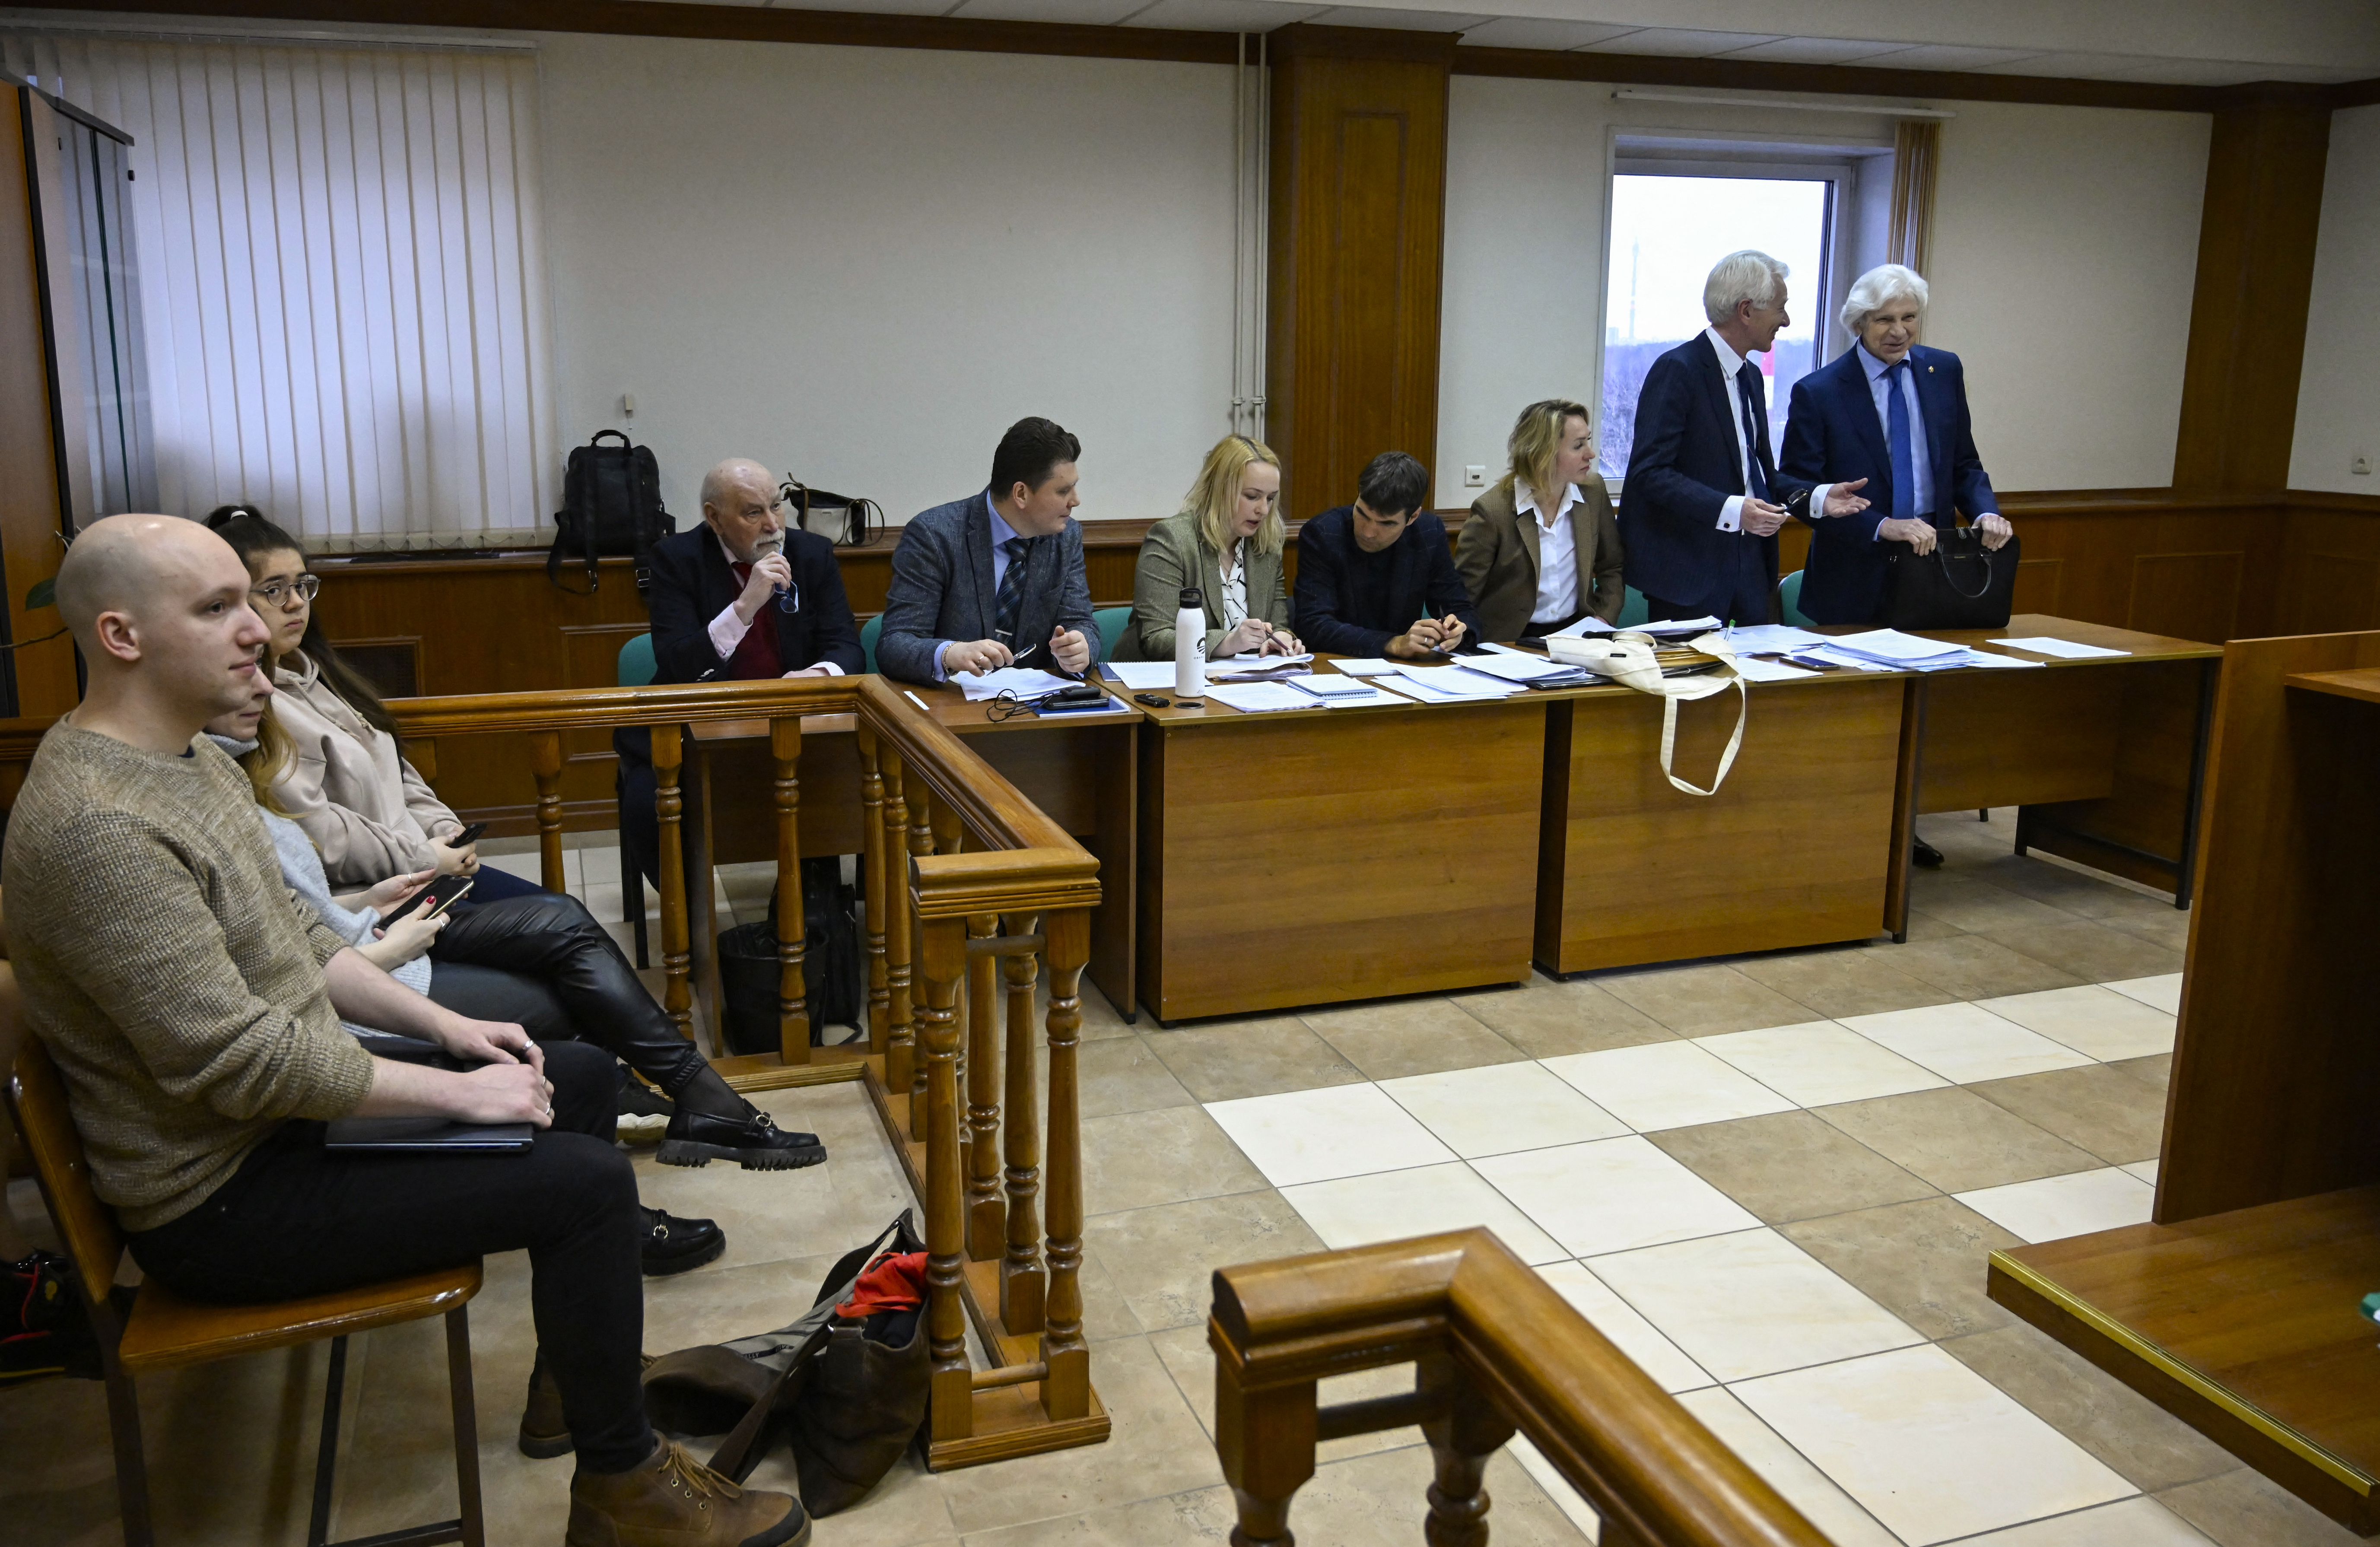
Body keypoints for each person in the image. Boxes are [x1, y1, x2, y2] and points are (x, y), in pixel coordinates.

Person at [3, 514, 807, 1547]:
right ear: (121, 636)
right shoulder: (99, 828)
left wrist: (450, 1030)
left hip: (282, 1125)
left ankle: (581, 1386)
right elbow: (240, 1061)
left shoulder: (184, 761)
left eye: (249, 600)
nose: (257, 627)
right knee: (590, 1187)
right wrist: (460, 1092)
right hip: (222, 1200)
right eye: (218, 607)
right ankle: (625, 1488)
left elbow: (297, 939)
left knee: (578, 1075)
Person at [206, 674, 824, 1183]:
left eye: (300, 586)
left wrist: (399, 872)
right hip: (372, 956)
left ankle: (676, 1111)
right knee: (563, 985)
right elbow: (281, 982)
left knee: (564, 927)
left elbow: (311, 904)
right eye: (257, 595)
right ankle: (672, 1119)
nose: (259, 664)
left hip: (375, 917)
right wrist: (402, 897)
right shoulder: (204, 783)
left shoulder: (295, 702)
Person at [201, 505, 537, 901]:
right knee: (561, 930)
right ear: (235, 601)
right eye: (274, 590)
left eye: (302, 585)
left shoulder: (323, 675)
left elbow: (396, 772)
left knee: (562, 915)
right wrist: (422, 855)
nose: (295, 603)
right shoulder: (250, 707)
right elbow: (320, 833)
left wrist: (446, 831)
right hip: (374, 890)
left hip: (425, 863)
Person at [615, 458, 864, 887]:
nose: (773, 525)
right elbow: (677, 663)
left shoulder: (811, 553)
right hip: (700, 723)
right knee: (646, 802)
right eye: (753, 512)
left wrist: (818, 673)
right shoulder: (676, 559)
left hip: (791, 724)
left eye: (776, 506)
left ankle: (819, 904)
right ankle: (688, 920)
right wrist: (744, 607)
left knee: (850, 779)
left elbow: (846, 645)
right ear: (715, 518)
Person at [1618, 251, 1871, 625]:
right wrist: (1733, 509)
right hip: (1689, 574)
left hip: (1752, 571)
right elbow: (1650, 472)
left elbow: (1755, 472)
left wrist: (1817, 496)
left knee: (1761, 681)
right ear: (1746, 310)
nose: (1786, 320)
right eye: (1780, 308)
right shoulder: (1678, 370)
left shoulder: (1750, 375)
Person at [1781, 263, 2013, 625]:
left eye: (1908, 317)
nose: (1898, 331)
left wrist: (1985, 512)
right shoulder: (1819, 392)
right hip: (1851, 580)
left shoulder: (1944, 371)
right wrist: (1881, 525)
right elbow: (1798, 489)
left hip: (1934, 568)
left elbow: (1963, 464)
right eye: (1883, 320)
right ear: (1858, 323)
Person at [877, 417, 1096, 685]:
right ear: (1021, 494)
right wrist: (950, 653)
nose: (1076, 501)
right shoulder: (935, 535)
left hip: (1037, 706)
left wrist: (1079, 651)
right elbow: (895, 644)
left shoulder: (1065, 536)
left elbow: (1081, 622)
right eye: (1064, 490)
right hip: (951, 708)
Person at [1456, 400, 1625, 641]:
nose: (1591, 454)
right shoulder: (1493, 511)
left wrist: (1602, 620)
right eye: (1578, 446)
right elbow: (1462, 598)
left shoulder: (1594, 492)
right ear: (1543, 454)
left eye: (1587, 441)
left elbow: (1612, 567)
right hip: (1510, 642)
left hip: (1577, 636)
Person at [1123, 435, 1301, 662]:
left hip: (1236, 683)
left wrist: (1282, 638)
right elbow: (1156, 639)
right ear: (1220, 489)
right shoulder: (1172, 540)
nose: (1263, 510)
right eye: (1252, 496)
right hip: (1160, 683)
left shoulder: (1266, 547)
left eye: (1270, 498)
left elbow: (1277, 624)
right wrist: (1228, 642)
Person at [1291, 451, 1480, 659]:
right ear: (1358, 494)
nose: (1368, 532)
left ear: (1413, 517)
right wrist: (1393, 643)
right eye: (1362, 514)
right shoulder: (1323, 533)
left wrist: (1458, 631)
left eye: (1387, 523)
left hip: (1405, 670)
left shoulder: (1429, 533)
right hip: (1335, 663)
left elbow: (1459, 606)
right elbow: (1314, 625)